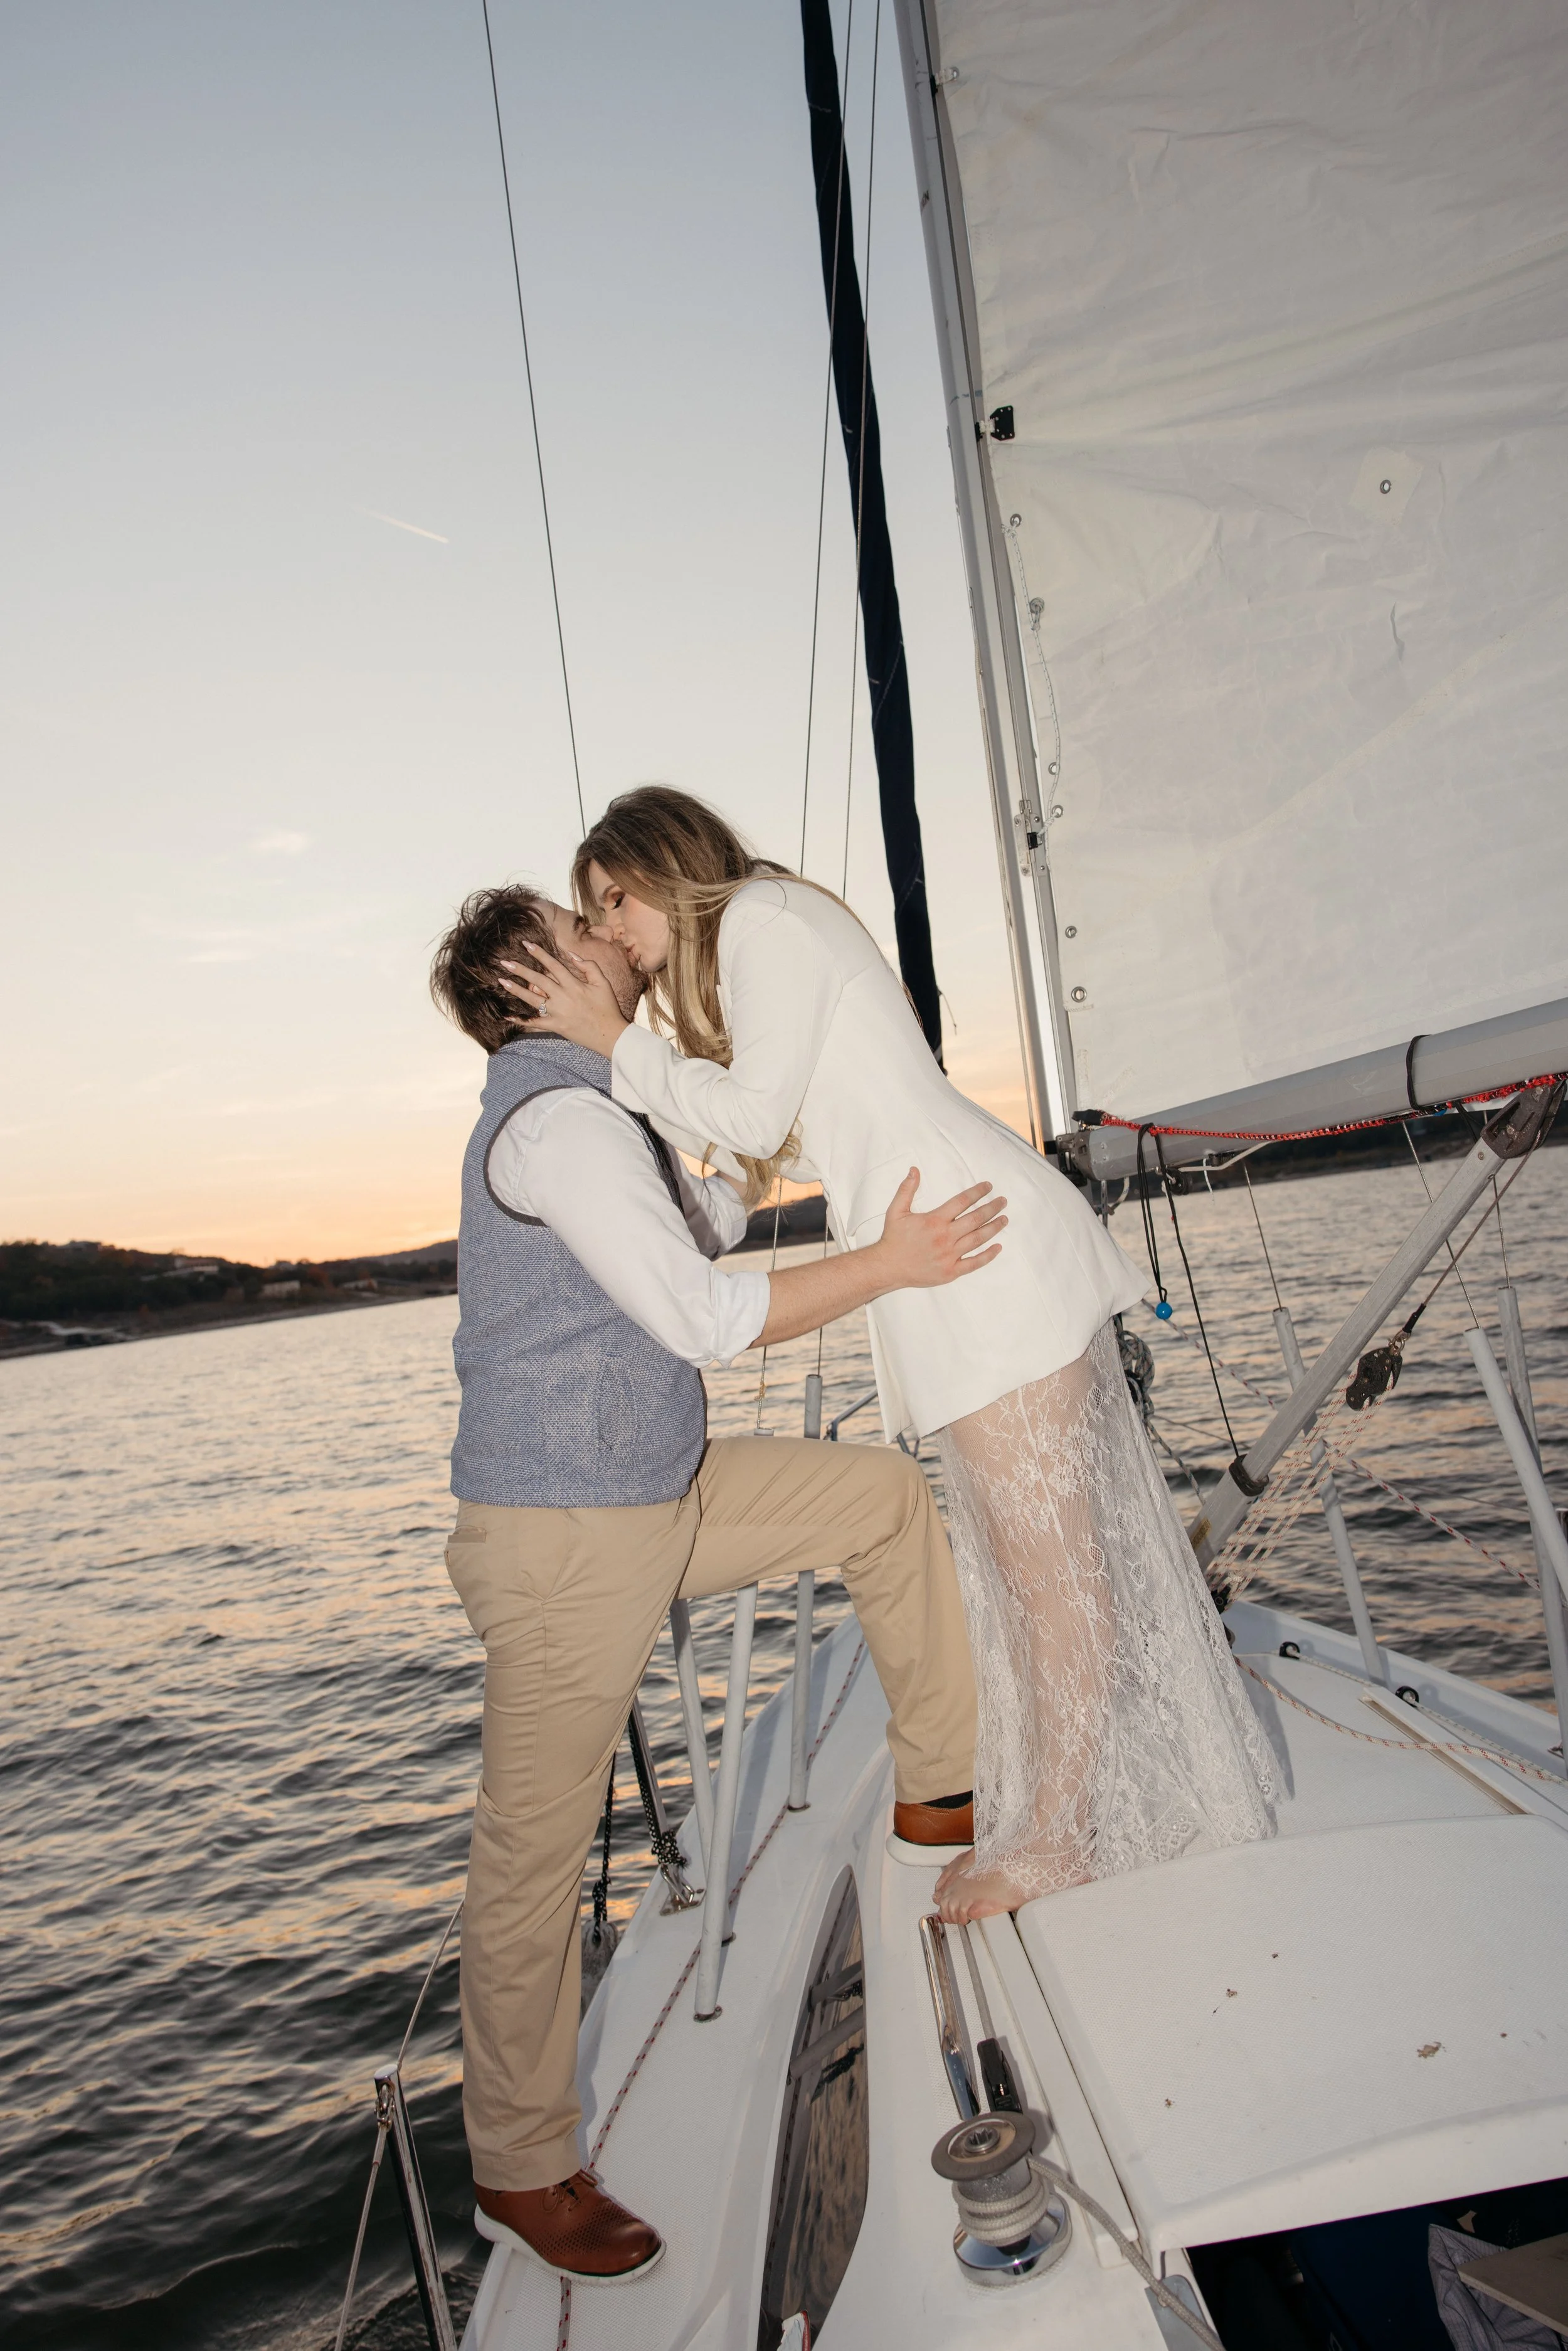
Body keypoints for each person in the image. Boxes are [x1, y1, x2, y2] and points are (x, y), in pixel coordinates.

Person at [499, 787, 1278, 1926]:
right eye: (595, 911)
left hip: (978, 1249)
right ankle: (1053, 1813)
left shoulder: (762, 920)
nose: (612, 930)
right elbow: (769, 1139)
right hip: (945, 1255)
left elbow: (752, 1117)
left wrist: (614, 1040)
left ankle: (1061, 1838)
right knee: (1021, 1562)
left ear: (669, 862)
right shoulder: (759, 948)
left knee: (1051, 1566)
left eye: (616, 899)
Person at [428, 881, 999, 2285]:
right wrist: (888, 1264)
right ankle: (520, 2166)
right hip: (566, 1543)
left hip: (651, 1497)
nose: (606, 935)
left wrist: (767, 1138)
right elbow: (704, 1315)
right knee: (532, 1859)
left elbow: (705, 1229)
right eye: (575, 928)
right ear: (535, 978)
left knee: (877, 1500)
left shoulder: (598, 1111)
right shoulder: (557, 1127)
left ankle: (942, 1794)